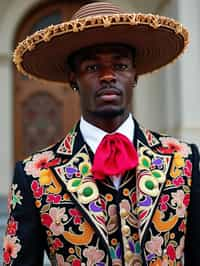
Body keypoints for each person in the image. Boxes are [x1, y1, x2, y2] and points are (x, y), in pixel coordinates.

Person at [3, 2, 200, 266]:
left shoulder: (184, 160)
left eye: (119, 66)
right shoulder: (35, 174)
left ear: (135, 74)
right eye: (93, 68)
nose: (108, 76)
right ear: (73, 77)